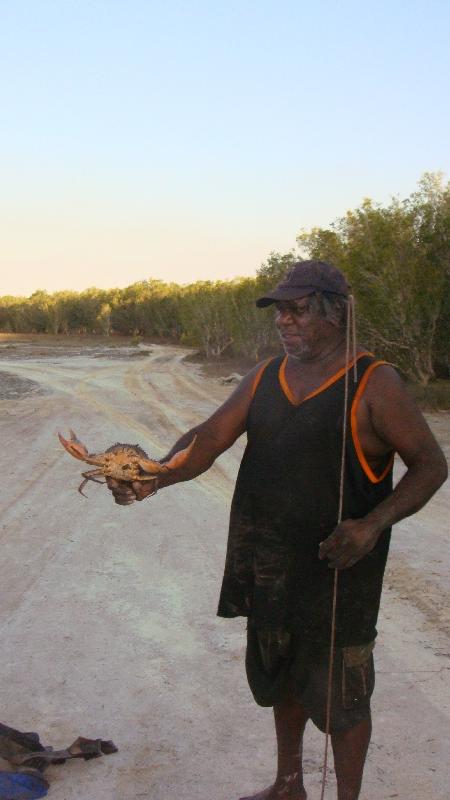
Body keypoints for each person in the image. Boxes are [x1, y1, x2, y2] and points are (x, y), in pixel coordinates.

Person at [107, 261, 447, 800]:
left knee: (343, 698)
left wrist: (372, 524)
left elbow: (431, 464)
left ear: (336, 313)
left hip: (339, 572)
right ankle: (289, 785)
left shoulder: (374, 382)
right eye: (279, 311)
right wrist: (157, 475)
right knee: (283, 677)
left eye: (297, 309)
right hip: (267, 564)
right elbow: (210, 436)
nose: (284, 321)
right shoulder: (266, 376)